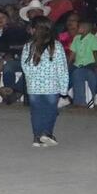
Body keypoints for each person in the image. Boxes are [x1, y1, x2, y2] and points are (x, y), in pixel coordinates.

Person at [21, 16, 69, 147]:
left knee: (36, 111)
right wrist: (64, 90)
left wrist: (32, 80)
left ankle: (37, 137)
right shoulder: (57, 46)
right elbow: (62, 69)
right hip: (52, 87)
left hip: (34, 87)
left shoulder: (28, 46)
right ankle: (46, 133)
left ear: (33, 30)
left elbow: (25, 67)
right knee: (50, 111)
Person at [68, 21, 97, 107]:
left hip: (90, 62)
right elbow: (73, 53)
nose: (77, 29)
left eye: (79, 27)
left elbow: (95, 52)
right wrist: (68, 64)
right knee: (67, 74)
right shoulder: (76, 38)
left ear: (85, 29)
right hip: (78, 63)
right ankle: (64, 94)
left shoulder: (92, 38)